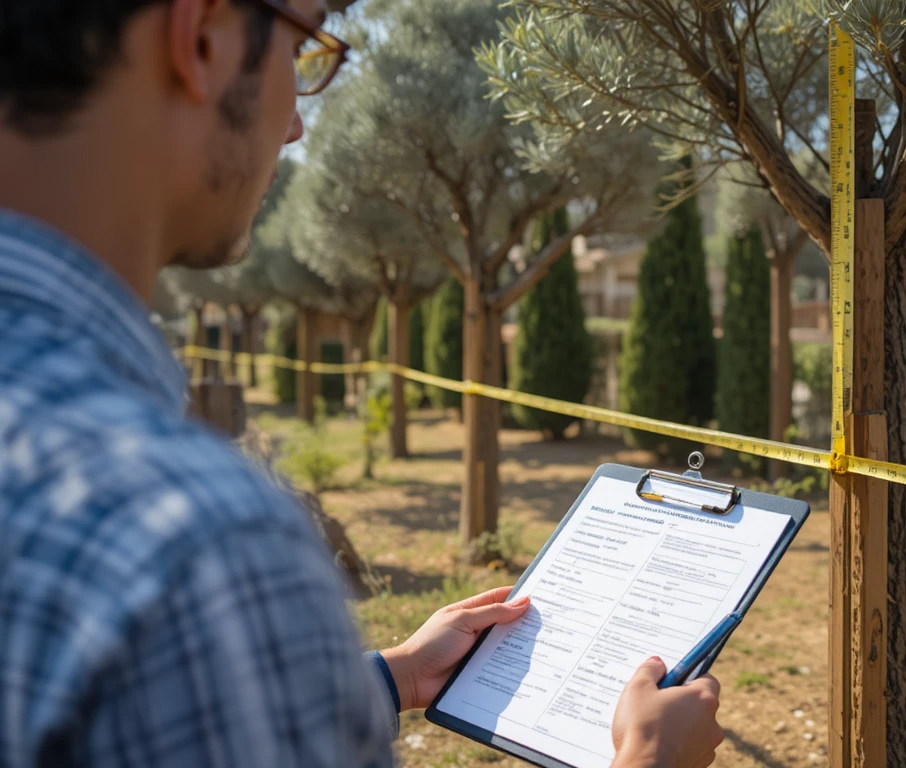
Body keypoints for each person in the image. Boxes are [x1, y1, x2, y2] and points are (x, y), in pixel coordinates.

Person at [0, 1, 724, 766]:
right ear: (204, 37)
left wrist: (394, 676)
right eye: (303, 49)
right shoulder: (194, 552)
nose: (294, 129)